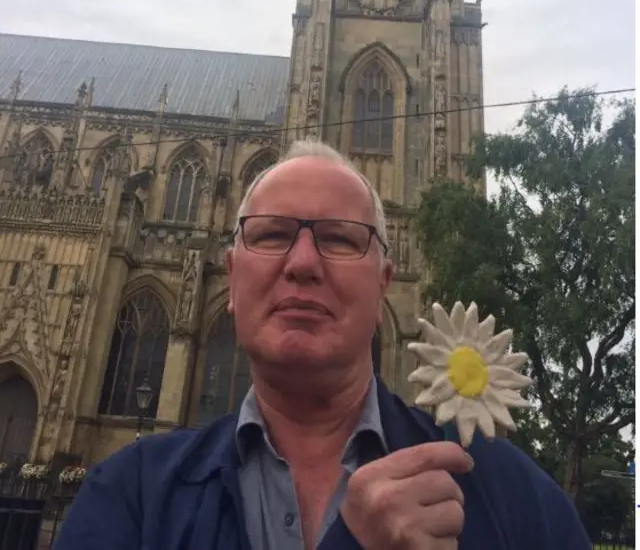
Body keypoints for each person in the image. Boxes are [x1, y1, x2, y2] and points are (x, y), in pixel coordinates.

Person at [55, 139, 590, 550]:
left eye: (339, 239)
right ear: (230, 275)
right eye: (270, 235)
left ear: (385, 280)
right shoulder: (131, 496)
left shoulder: (509, 497)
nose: (303, 263)